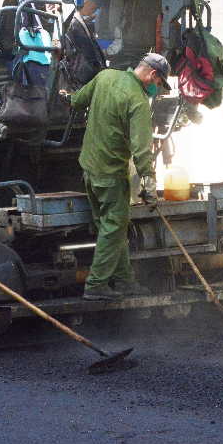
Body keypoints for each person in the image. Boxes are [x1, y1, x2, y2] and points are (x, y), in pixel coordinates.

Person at [69, 53, 169, 301]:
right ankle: (96, 284)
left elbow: (77, 101)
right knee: (113, 229)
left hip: (89, 169)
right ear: (153, 75)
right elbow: (142, 150)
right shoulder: (137, 102)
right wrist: (149, 185)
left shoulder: (105, 76)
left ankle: (124, 281)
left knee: (112, 229)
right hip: (111, 175)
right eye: (159, 84)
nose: (157, 89)